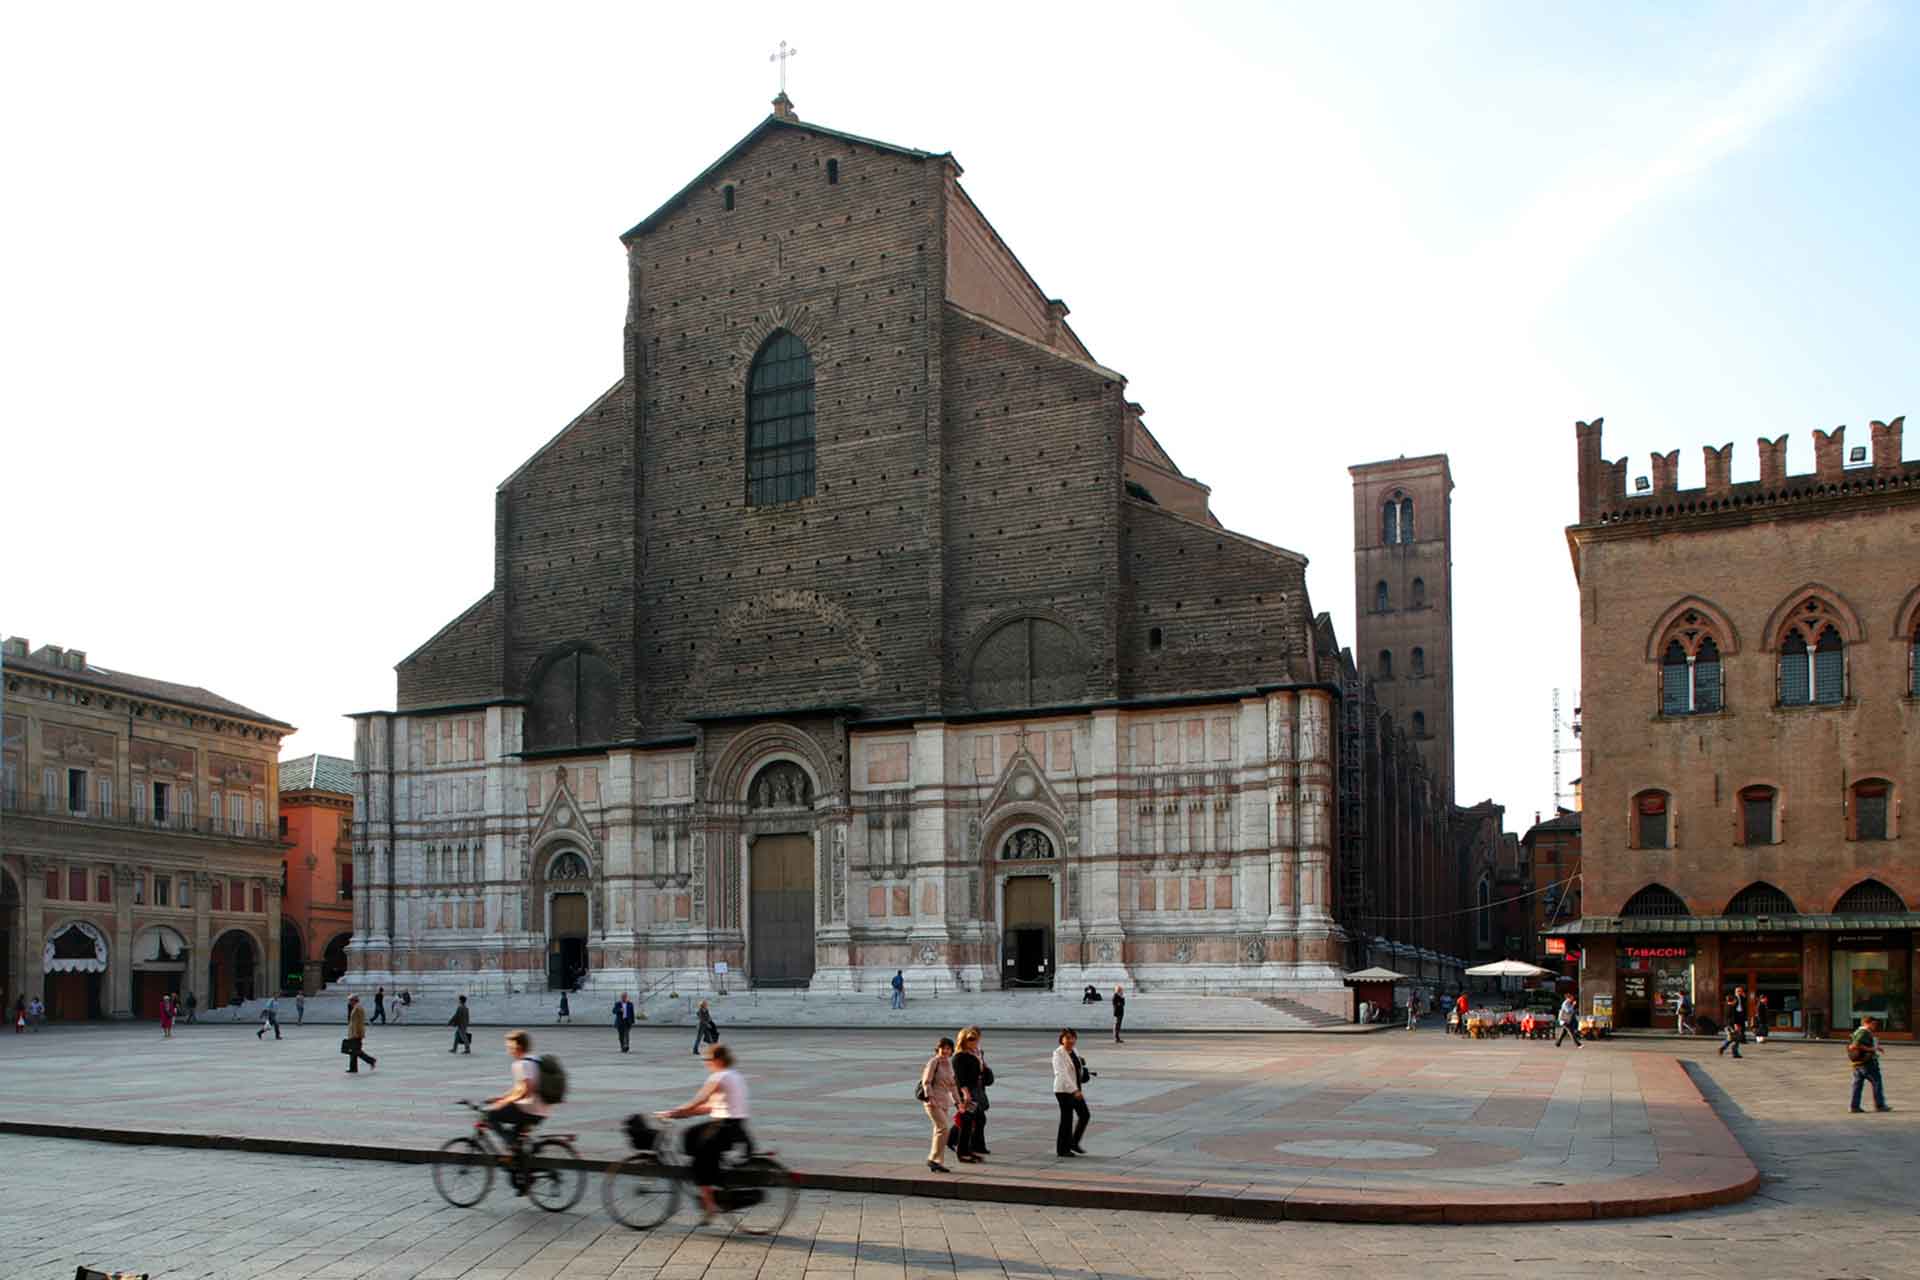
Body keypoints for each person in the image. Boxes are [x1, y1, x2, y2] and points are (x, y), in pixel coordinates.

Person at [658, 1043, 751, 1221]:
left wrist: (674, 1112)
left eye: (708, 1059)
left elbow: (699, 1100)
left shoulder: (720, 1077)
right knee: (690, 1136)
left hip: (725, 1127)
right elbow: (708, 1107)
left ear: (718, 1060)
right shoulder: (734, 1076)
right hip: (734, 1127)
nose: (706, 1063)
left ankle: (710, 1205)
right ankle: (710, 1184)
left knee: (699, 1158)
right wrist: (681, 1115)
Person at [486, 1029, 552, 1194]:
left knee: (491, 1115)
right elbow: (520, 1088)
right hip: (542, 1110)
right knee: (518, 1146)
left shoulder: (521, 1064)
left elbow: (525, 1091)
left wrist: (502, 1103)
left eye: (510, 1046)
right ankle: (523, 1180)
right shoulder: (535, 1060)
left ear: (518, 1046)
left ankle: (510, 1142)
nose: (509, 1050)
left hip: (529, 1109)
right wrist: (500, 1098)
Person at [919, 1036, 957, 1173]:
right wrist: (930, 1097)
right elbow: (926, 1081)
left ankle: (937, 1161)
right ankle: (933, 1159)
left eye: (948, 1049)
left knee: (939, 1130)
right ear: (938, 1049)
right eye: (943, 1048)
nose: (946, 1051)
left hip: (944, 1102)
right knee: (944, 1128)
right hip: (932, 1102)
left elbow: (952, 1086)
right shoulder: (933, 1062)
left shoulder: (949, 1064)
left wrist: (958, 1102)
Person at [1052, 1029, 1091, 1157]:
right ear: (1062, 1039)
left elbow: (1076, 1067)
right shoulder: (1058, 1054)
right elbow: (1062, 1074)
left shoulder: (1074, 1051)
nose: (1071, 1040)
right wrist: (1074, 1090)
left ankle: (1073, 1143)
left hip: (1075, 1089)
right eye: (1067, 1038)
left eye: (1073, 1037)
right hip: (1063, 1090)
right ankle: (1062, 1149)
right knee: (1066, 1119)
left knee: (1084, 1115)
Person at [952, 1026, 986, 1163]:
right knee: (966, 1122)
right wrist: (966, 1094)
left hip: (974, 1091)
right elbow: (960, 1078)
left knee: (977, 1120)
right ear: (963, 1040)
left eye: (975, 1039)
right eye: (970, 1040)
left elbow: (981, 1072)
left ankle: (969, 1149)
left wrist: (979, 1058)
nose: (973, 1042)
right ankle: (962, 1152)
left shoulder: (974, 1054)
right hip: (965, 1094)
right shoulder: (959, 1057)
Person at [1849, 1014, 1892, 1113]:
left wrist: (1877, 1047)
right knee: (1877, 1082)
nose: (1875, 1026)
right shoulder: (1863, 1032)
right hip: (1867, 1063)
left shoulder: (1858, 1032)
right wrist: (1871, 1049)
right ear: (1866, 1023)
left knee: (1857, 1085)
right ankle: (1879, 1105)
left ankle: (1854, 1106)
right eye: (1873, 1024)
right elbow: (1854, 1046)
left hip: (1858, 1064)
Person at [344, 994, 377, 1073]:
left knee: (356, 1051)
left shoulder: (358, 1008)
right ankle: (353, 1068)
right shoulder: (356, 1008)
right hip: (353, 1032)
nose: (349, 1002)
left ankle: (371, 1060)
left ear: (354, 1000)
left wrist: (356, 1033)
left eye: (350, 1000)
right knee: (353, 1051)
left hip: (356, 1033)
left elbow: (358, 1022)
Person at [1719, 987, 1747, 1058]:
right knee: (1736, 1038)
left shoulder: (1729, 1005)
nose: (1735, 1001)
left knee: (1732, 1038)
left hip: (1733, 1023)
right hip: (1731, 1024)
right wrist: (1735, 1025)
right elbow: (1731, 1017)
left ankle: (1723, 1048)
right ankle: (1734, 1052)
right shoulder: (1731, 1007)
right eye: (1735, 1001)